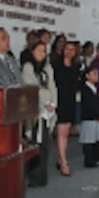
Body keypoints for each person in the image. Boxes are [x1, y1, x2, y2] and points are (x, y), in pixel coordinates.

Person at [21, 41, 57, 187]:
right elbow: (32, 88)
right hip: (35, 111)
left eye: (44, 51)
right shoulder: (28, 67)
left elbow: (52, 86)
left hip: (47, 112)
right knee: (34, 144)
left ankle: (42, 176)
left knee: (44, 146)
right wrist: (45, 101)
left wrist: (53, 103)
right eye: (39, 50)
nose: (42, 53)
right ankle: (33, 176)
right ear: (32, 52)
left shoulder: (47, 68)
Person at [51, 41, 80, 177]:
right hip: (59, 101)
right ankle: (64, 162)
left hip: (70, 101)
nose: (69, 51)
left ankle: (60, 158)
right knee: (61, 132)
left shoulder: (75, 67)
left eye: (72, 49)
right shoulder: (55, 65)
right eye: (67, 49)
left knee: (66, 132)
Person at [79, 67, 99, 168]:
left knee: (95, 137)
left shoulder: (94, 88)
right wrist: (96, 114)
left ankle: (95, 158)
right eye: (94, 74)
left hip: (95, 117)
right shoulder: (85, 89)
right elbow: (88, 105)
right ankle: (88, 160)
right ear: (87, 76)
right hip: (88, 117)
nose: (97, 76)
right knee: (88, 139)